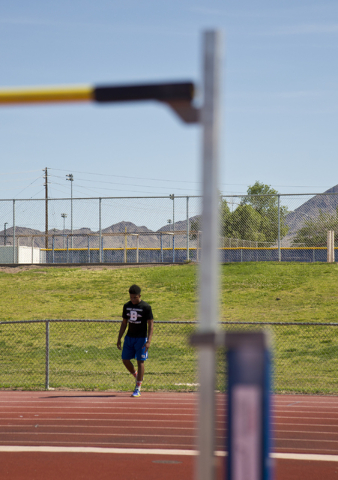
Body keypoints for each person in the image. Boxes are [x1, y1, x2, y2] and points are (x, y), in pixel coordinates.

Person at [117, 284, 154, 397]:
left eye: (135, 297)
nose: (133, 300)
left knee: (140, 361)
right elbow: (124, 323)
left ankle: (138, 387)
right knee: (125, 359)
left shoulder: (146, 307)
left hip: (141, 338)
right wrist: (119, 338)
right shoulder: (126, 306)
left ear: (139, 296)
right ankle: (136, 374)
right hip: (129, 338)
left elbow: (151, 325)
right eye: (131, 297)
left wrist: (148, 341)